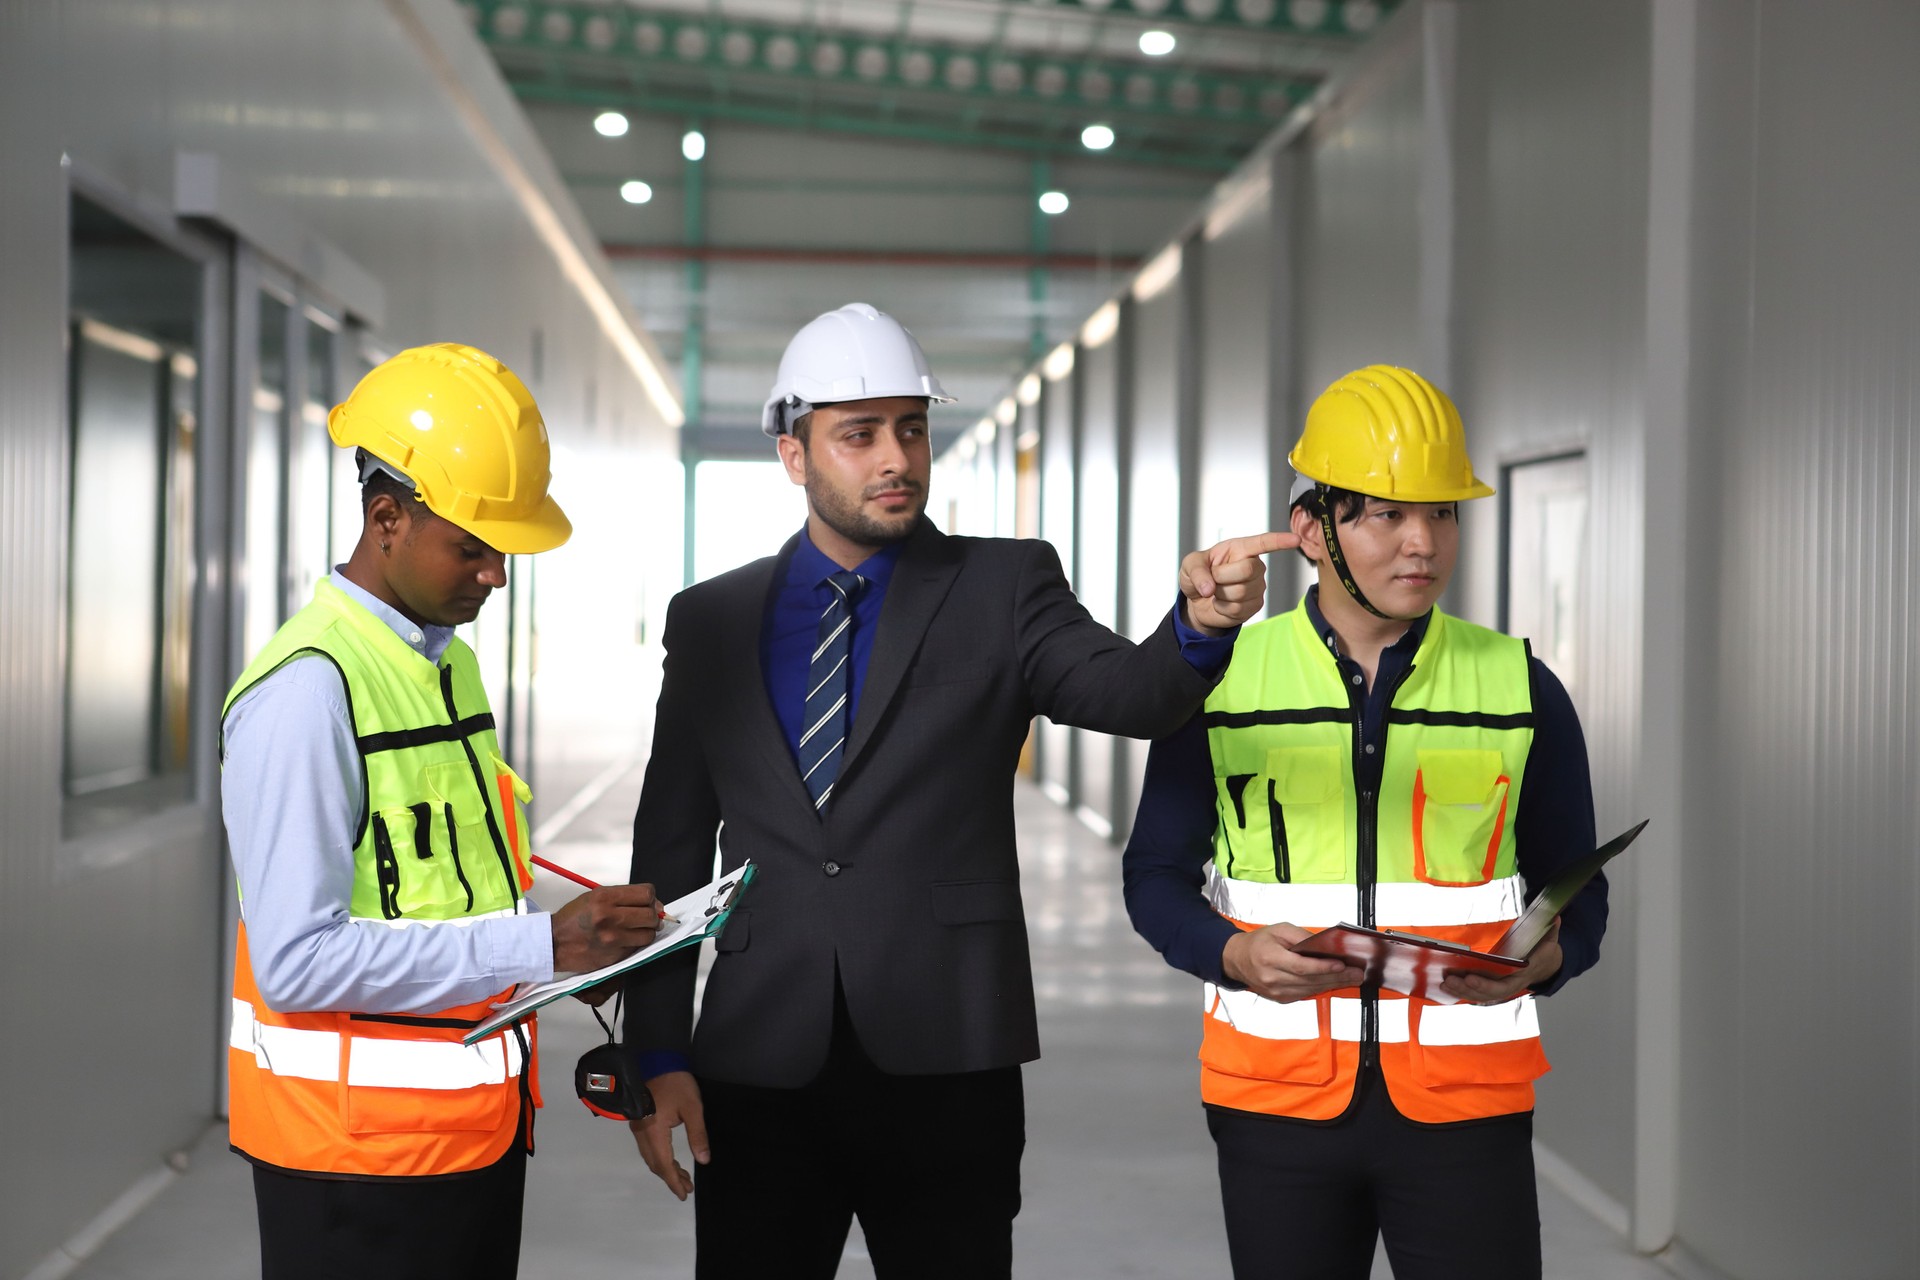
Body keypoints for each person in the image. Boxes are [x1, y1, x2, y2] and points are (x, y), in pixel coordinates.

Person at [622, 302, 1290, 1278]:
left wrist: (1199, 624)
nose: (897, 456)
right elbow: (671, 848)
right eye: (859, 434)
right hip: (757, 1058)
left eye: (912, 427)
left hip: (946, 1054)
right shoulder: (713, 618)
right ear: (794, 453)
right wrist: (655, 1052)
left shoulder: (1005, 585)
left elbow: (1135, 695)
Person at [1122, 364, 1608, 1279]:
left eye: (1442, 512)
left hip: (1466, 1111)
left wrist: (1548, 957)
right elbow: (1152, 876)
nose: (1421, 543)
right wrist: (1232, 954)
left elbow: (1578, 890)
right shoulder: (1221, 679)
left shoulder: (1519, 687)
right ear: (1311, 531)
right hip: (1276, 1104)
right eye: (1385, 513)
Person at [221, 342, 663, 1280]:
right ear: (387, 519)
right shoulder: (307, 693)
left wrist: (580, 942)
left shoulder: (440, 665)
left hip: (465, 1148)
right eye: (474, 547)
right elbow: (297, 962)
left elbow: (443, 884)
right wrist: (541, 948)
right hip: (353, 1176)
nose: (495, 574)